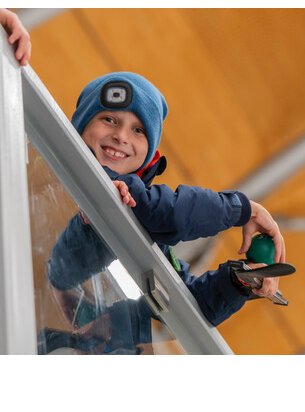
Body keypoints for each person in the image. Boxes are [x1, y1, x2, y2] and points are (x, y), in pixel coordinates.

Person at [41, 71, 286, 354]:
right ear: (79, 126)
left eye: (139, 130)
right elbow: (171, 214)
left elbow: (188, 306)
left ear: (150, 157)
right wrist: (243, 209)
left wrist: (238, 281)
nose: (121, 136)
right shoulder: (115, 191)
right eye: (109, 119)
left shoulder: (135, 211)